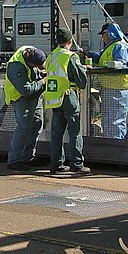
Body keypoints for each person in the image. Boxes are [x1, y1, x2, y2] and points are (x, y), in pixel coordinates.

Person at [44, 28, 90, 175]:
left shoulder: (51, 56)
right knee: (75, 130)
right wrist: (84, 69)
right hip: (68, 95)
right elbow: (81, 81)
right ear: (70, 42)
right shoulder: (70, 56)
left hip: (54, 97)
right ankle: (77, 164)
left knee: (57, 132)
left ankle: (56, 164)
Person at [84, 22, 128, 139]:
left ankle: (116, 147)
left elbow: (121, 63)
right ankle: (111, 144)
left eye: (103, 34)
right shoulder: (110, 47)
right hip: (110, 89)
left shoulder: (120, 46)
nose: (102, 37)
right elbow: (100, 57)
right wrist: (87, 54)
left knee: (115, 121)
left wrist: (108, 65)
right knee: (108, 120)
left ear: (109, 33)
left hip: (118, 89)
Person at [4, 45, 47, 170]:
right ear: (30, 62)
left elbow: (33, 74)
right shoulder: (16, 65)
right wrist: (43, 81)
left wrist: (39, 73)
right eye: (36, 66)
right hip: (20, 98)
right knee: (23, 128)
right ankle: (14, 160)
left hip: (34, 96)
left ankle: (28, 157)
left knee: (36, 125)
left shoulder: (31, 51)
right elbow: (26, 90)